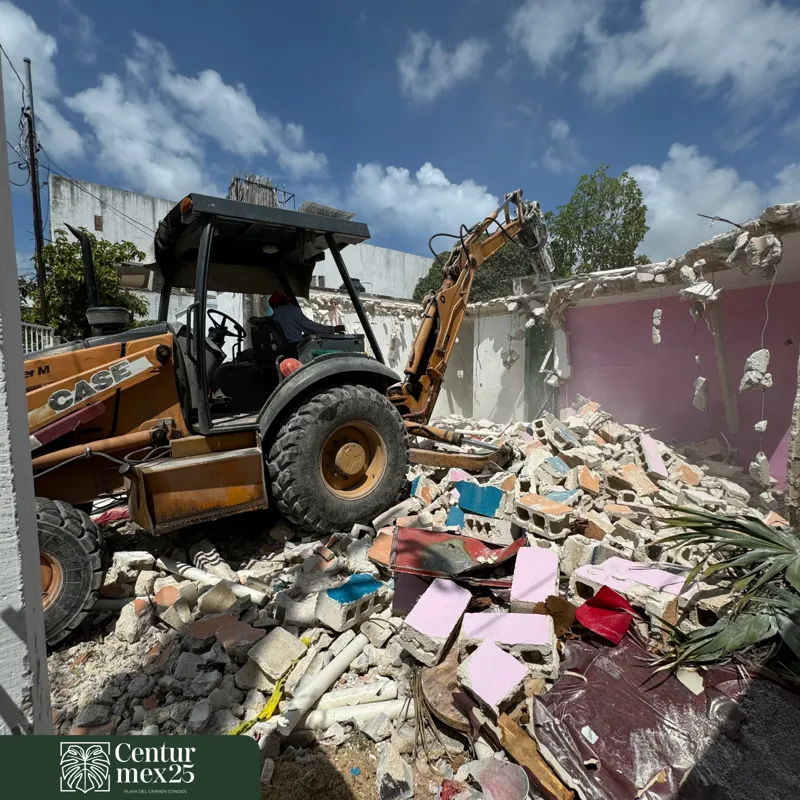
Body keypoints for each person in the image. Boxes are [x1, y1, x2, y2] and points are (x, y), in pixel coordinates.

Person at [268, 292, 345, 343]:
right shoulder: (291, 311)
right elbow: (311, 327)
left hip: (287, 349)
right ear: (284, 300)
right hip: (296, 349)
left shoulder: (274, 316)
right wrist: (333, 329)